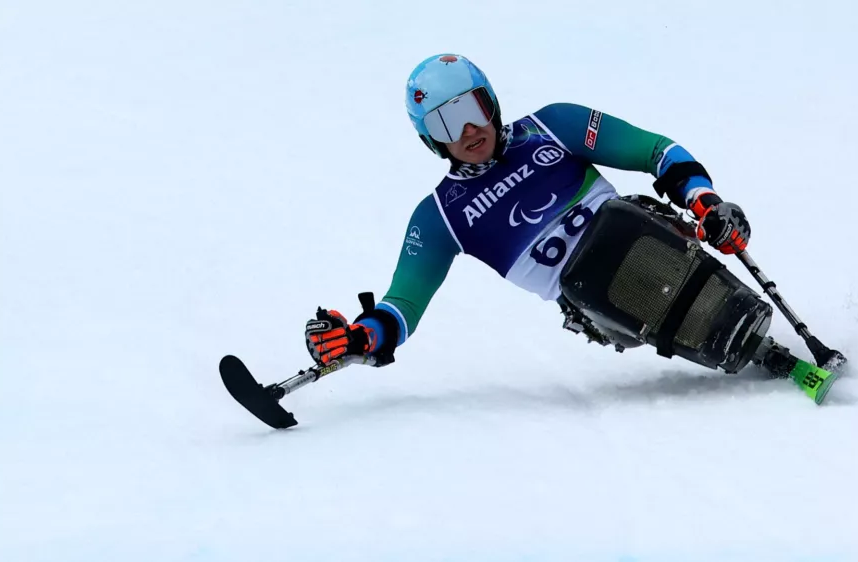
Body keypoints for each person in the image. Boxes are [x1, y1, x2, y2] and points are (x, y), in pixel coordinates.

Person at [305, 54, 757, 372]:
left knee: (620, 222)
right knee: (588, 278)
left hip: (646, 237)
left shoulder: (553, 126)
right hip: (602, 305)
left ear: (491, 101)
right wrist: (360, 338)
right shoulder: (438, 216)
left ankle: (735, 313)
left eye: (472, 108)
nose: (466, 130)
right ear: (431, 140)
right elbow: (402, 305)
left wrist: (706, 202)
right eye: (445, 123)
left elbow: (656, 151)